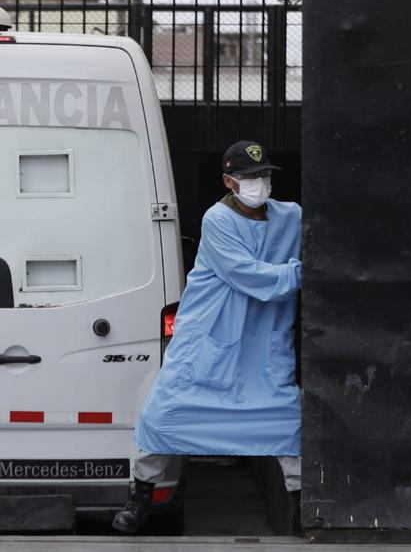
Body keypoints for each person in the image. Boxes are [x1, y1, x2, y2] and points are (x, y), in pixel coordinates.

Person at [112, 140, 303, 535]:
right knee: (163, 413)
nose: (259, 183)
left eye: (264, 175)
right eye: (249, 177)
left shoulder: (291, 217)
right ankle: (141, 497)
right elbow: (252, 277)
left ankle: (302, 505)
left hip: (262, 342)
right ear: (229, 181)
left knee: (285, 421)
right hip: (210, 338)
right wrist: (303, 271)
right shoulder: (217, 220)